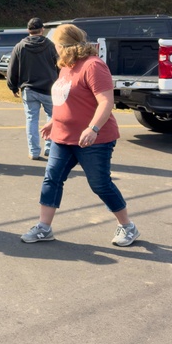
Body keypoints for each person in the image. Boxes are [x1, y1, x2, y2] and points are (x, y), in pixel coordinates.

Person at [21, 23, 139, 246]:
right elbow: (66, 99)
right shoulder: (67, 66)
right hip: (63, 137)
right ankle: (44, 227)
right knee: (52, 179)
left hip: (93, 139)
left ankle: (127, 226)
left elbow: (106, 101)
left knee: (100, 184)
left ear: (64, 45)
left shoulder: (93, 66)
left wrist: (93, 128)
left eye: (54, 44)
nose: (52, 49)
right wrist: (53, 122)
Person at [6, 17, 59, 161]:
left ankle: (34, 151)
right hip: (49, 88)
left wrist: (13, 86)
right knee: (53, 118)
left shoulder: (20, 46)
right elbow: (60, 64)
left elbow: (12, 68)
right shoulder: (50, 45)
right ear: (42, 29)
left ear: (28, 30)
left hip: (29, 89)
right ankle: (50, 148)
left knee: (31, 119)